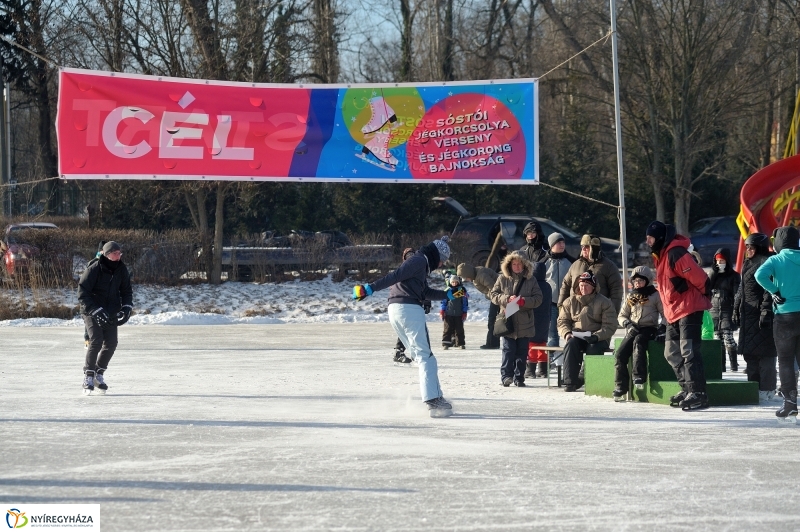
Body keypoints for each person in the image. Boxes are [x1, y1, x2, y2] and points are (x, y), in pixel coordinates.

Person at [353, 236, 461, 418]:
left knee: (421, 357)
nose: (441, 265)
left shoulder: (421, 264)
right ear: (436, 255)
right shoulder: (418, 261)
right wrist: (369, 288)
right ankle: (433, 400)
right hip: (409, 310)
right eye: (442, 260)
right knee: (426, 357)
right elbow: (395, 276)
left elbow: (424, 291)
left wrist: (447, 295)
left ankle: (434, 395)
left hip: (397, 310)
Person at [646, 221, 711, 411]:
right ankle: (687, 388)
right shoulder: (661, 256)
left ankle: (698, 392)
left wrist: (702, 296)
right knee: (671, 352)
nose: (647, 241)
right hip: (673, 312)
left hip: (689, 307)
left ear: (659, 238)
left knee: (688, 350)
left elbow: (702, 279)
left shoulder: (676, 253)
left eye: (650, 237)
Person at [754, 226, 800, 423]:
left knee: (786, 360)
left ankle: (790, 404)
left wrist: (775, 291)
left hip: (784, 315)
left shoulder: (776, 259)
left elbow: (759, 275)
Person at [78, 241, 133, 395]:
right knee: (96, 340)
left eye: (120, 253)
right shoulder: (95, 268)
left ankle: (98, 373)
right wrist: (95, 310)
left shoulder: (121, 269)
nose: (118, 256)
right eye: (115, 253)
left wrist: (127, 307)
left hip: (110, 311)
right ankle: (88, 377)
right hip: (91, 310)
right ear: (106, 254)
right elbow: (82, 293)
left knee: (111, 342)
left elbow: (126, 291)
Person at [733, 233, 777, 402]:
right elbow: (741, 289)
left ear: (759, 247)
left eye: (751, 247)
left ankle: (767, 389)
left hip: (761, 316)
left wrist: (766, 310)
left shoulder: (767, 262)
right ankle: (753, 386)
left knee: (765, 354)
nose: (748, 250)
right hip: (748, 316)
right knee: (750, 353)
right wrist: (736, 307)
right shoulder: (747, 263)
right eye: (747, 247)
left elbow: (769, 289)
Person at [489, 252, 543, 387]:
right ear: (509, 265)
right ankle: (506, 376)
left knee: (522, 351)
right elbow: (493, 295)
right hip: (508, 321)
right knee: (508, 350)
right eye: (514, 264)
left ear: (524, 265)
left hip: (525, 322)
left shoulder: (531, 280)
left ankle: (519, 377)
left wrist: (524, 301)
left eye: (519, 264)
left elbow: (538, 299)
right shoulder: (502, 278)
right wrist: (507, 299)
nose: (517, 266)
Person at [557, 272, 617, 392]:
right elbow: (562, 321)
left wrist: (597, 336)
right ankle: (570, 381)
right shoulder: (569, 301)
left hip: (598, 337)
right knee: (570, 345)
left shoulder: (604, 302)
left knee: (593, 348)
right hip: (577, 335)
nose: (583, 288)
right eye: (581, 285)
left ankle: (585, 378)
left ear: (594, 287)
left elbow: (610, 326)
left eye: (587, 285)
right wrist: (567, 333)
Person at [613, 266, 665, 400]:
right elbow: (621, 315)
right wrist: (627, 324)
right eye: (635, 281)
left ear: (647, 281)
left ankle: (639, 376)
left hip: (649, 328)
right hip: (633, 328)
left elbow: (665, 314)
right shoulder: (631, 296)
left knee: (639, 342)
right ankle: (620, 386)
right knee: (620, 354)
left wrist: (662, 328)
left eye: (640, 281)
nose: (637, 283)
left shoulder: (655, 295)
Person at [558, 234, 623, 314]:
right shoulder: (575, 265)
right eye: (582, 246)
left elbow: (616, 291)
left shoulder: (609, 266)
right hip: (575, 312)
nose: (583, 249)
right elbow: (565, 286)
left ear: (594, 248)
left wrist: (613, 312)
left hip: (598, 313)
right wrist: (561, 306)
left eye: (587, 246)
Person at [392, 247, 430, 366]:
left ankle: (417, 354)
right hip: (404, 304)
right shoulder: (401, 270)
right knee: (405, 329)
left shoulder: (420, 270)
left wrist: (427, 302)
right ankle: (400, 352)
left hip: (415, 305)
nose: (410, 258)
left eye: (412, 255)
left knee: (415, 332)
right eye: (408, 256)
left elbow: (425, 288)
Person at [544, 232, 576, 367]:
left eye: (563, 242)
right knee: (552, 333)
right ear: (551, 245)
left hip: (568, 304)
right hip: (550, 303)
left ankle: (570, 360)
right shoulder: (544, 262)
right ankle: (552, 362)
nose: (562, 245)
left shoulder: (571, 262)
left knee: (570, 332)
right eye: (558, 243)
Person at [708, 248, 741, 372]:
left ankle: (734, 364)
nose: (720, 263)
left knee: (728, 337)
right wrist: (713, 273)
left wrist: (736, 309)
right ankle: (720, 366)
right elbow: (707, 288)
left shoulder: (734, 276)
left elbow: (737, 293)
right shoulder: (713, 274)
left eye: (722, 260)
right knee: (718, 339)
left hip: (728, 307)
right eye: (718, 261)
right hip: (714, 307)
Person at [456, 262, 500, 350]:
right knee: (493, 320)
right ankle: (492, 342)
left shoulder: (481, 276)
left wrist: (489, 295)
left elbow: (495, 288)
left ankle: (492, 343)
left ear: (468, 273)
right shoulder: (477, 274)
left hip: (499, 298)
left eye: (466, 277)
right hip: (496, 298)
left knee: (492, 320)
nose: (466, 280)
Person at [525, 262, 552, 378]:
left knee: (532, 344)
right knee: (542, 344)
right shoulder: (548, 286)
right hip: (545, 319)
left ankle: (530, 370)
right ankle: (543, 369)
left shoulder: (532, 286)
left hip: (533, 318)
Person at [440, 275, 469, 349]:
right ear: (450, 282)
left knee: (459, 329)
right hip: (449, 313)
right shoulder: (447, 291)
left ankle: (460, 343)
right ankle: (446, 343)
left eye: (456, 282)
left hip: (458, 313)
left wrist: (464, 312)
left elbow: (464, 302)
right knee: (447, 329)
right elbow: (444, 302)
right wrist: (442, 310)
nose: (454, 283)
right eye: (453, 282)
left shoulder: (462, 291)